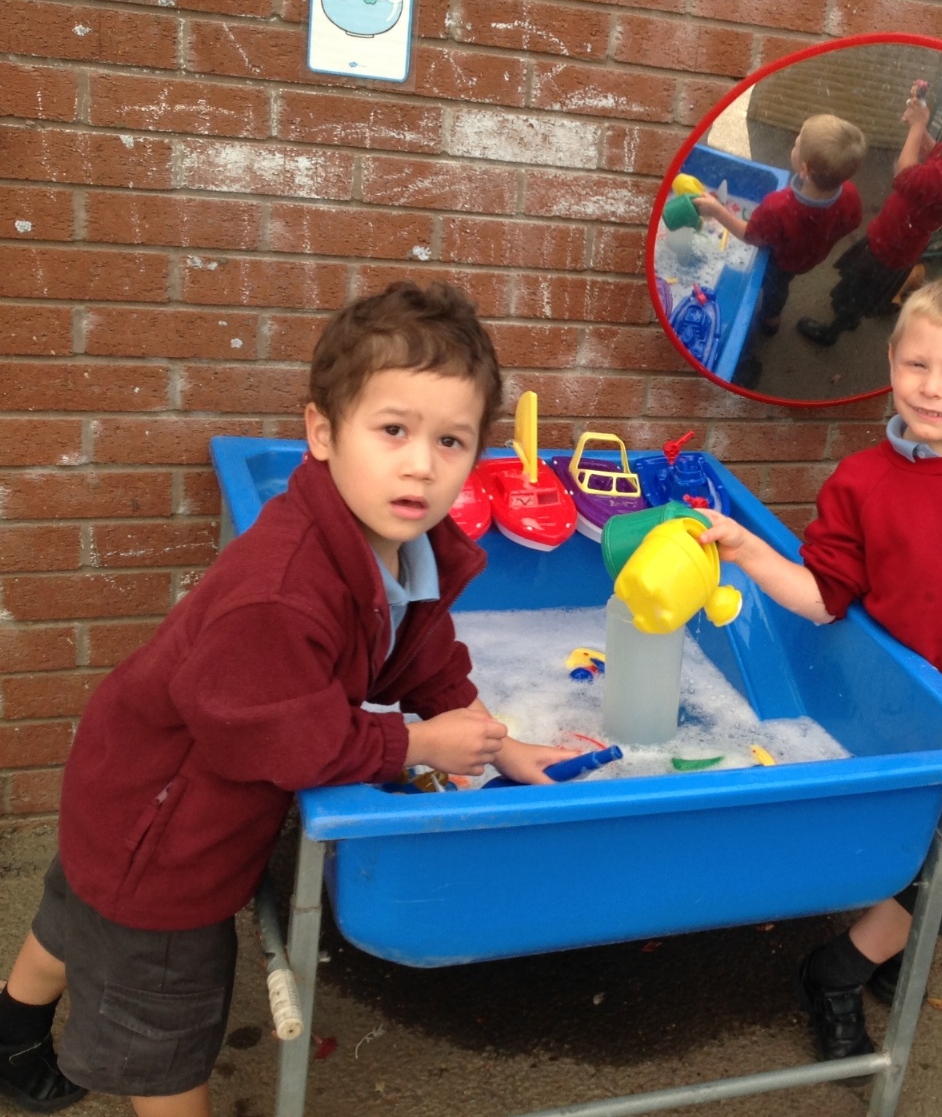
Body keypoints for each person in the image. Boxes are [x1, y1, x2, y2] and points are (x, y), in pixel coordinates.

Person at [0, 282, 571, 1116]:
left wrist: (495, 741)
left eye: (450, 440)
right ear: (322, 432)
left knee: (77, 912)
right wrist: (415, 746)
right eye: (393, 429)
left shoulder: (402, 543)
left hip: (128, 782)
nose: (421, 463)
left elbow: (423, 652)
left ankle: (11, 1034)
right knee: (165, 1033)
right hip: (162, 831)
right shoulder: (283, 589)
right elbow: (281, 740)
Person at [697, 274, 942, 1062]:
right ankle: (845, 965)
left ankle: (854, 959)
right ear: (892, 362)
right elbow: (823, 597)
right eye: (917, 364)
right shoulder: (862, 482)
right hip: (900, 713)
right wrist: (748, 551)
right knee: (900, 850)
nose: (932, 388)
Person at [797, 75, 942, 348]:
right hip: (896, 229)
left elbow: (904, 176)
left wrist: (917, 127)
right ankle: (850, 314)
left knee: (861, 286)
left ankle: (832, 331)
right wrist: (919, 127)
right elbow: (937, 156)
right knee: (861, 284)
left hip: (897, 240)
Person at [694, 113, 866, 335]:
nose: (793, 146)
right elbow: (853, 222)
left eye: (796, 144)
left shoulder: (778, 207)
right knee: (782, 284)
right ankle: (771, 318)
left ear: (804, 170)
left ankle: (770, 321)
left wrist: (717, 210)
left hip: (782, 262)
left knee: (775, 288)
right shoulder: (851, 193)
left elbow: (750, 236)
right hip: (811, 256)